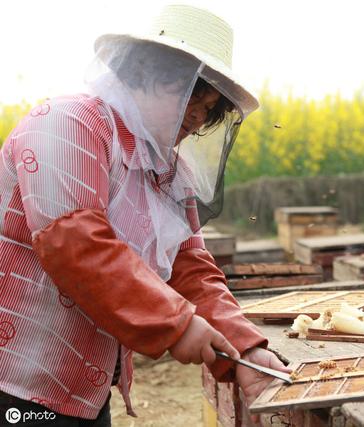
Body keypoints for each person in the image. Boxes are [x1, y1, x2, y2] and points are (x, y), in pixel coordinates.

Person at [0, 5, 289, 425]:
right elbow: (75, 244)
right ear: (141, 73)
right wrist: (175, 324)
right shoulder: (67, 123)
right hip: (14, 379)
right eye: (190, 94)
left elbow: (190, 266)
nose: (198, 115)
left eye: (209, 108)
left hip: (83, 388)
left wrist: (245, 348)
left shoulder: (169, 172)